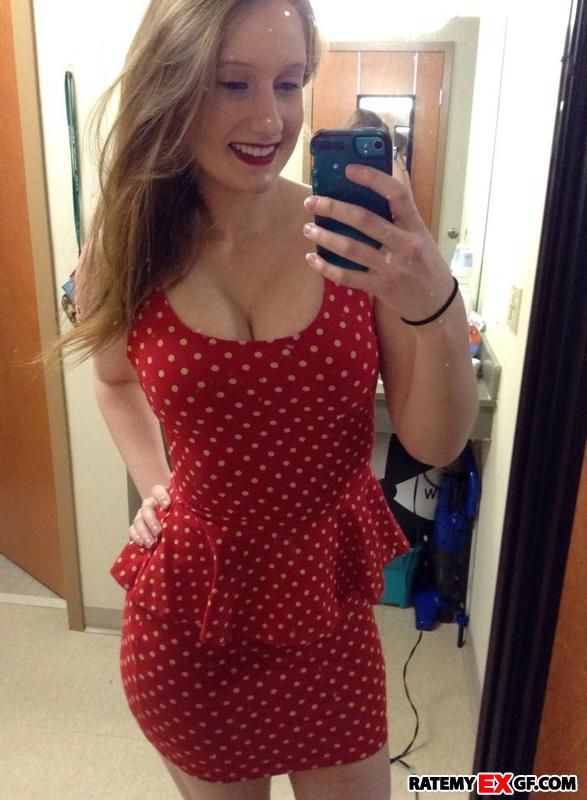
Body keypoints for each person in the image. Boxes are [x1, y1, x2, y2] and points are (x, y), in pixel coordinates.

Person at [49, 0, 477, 797]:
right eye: (232, 83)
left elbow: (435, 442)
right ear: (173, 83)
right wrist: (155, 483)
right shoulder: (127, 238)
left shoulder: (347, 238)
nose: (269, 119)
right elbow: (111, 379)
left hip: (327, 617)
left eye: (288, 82)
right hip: (193, 621)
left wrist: (435, 304)